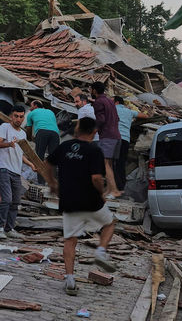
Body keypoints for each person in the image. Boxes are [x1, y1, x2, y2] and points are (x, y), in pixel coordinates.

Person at [41, 117, 117, 296]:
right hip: (91, 201)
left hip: (69, 201)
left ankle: (70, 280)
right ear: (94, 132)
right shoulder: (94, 150)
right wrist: (101, 192)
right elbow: (96, 178)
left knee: (70, 240)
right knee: (109, 224)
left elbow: (47, 164)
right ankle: (100, 251)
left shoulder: (65, 146)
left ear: (77, 129)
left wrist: (52, 183)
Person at [0, 105, 35, 239]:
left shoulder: (23, 134)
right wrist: (9, 144)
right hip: (3, 168)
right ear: (11, 116)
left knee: (16, 201)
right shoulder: (5, 127)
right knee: (6, 199)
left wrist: (30, 164)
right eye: (16, 116)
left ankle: (9, 229)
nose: (18, 119)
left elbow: (20, 154)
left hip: (16, 171)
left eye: (21, 117)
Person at [90, 82, 122, 198]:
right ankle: (108, 190)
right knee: (109, 164)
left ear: (94, 90)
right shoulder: (110, 101)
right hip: (116, 136)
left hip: (107, 136)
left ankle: (114, 191)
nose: (90, 91)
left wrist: (93, 130)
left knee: (105, 164)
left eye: (91, 89)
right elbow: (117, 118)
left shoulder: (98, 102)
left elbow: (101, 120)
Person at [114, 96, 148, 192]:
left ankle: (113, 187)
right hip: (125, 140)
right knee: (121, 163)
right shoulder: (129, 111)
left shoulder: (112, 109)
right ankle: (121, 187)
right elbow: (145, 116)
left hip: (115, 139)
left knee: (112, 163)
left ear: (116, 102)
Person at [25, 100, 60, 184]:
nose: (30, 108)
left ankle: (41, 182)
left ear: (35, 106)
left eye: (31, 106)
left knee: (39, 158)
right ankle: (54, 183)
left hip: (42, 132)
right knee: (53, 159)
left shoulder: (31, 113)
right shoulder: (50, 112)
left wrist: (29, 138)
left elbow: (29, 128)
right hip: (55, 134)